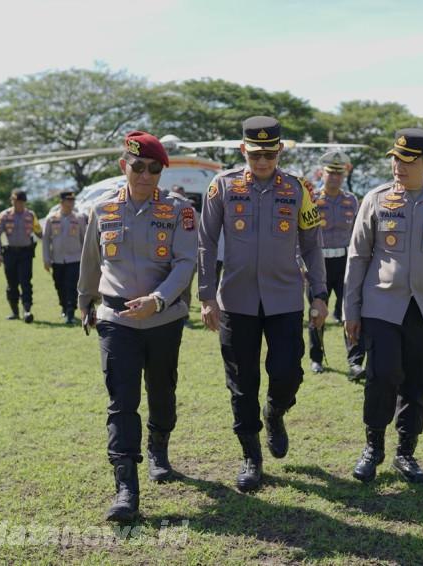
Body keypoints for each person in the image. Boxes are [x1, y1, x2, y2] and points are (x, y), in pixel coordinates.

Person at [197, 116, 328, 492]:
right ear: (243, 150)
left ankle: (276, 411)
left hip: (285, 298)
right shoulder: (221, 187)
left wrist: (318, 295)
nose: (263, 161)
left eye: (270, 153)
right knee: (242, 383)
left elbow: (311, 244)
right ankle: (251, 456)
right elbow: (205, 242)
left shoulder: (298, 189)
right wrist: (206, 295)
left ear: (280, 151)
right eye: (255, 154)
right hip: (236, 300)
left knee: (288, 373)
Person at [78, 131, 197, 522]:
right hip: (116, 320)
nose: (145, 175)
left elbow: (184, 263)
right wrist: (84, 301)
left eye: (154, 168)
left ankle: (159, 447)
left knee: (162, 391)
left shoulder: (179, 210)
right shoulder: (102, 210)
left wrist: (157, 300)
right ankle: (126, 486)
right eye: (138, 167)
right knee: (121, 400)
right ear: (123, 166)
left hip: (163, 318)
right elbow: (91, 261)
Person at [344, 128, 423, 484]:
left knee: (417, 383)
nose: (398, 166)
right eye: (395, 158)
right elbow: (357, 258)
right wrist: (350, 310)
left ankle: (406, 452)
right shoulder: (376, 199)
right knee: (381, 376)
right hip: (381, 305)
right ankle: (373, 448)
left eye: (408, 160)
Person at [309, 150, 366, 380]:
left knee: (350, 311)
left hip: (345, 263)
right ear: (322, 173)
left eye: (338, 174)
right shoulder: (311, 198)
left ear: (344, 175)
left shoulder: (351, 200)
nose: (334, 178)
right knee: (316, 311)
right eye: (330, 173)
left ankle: (355, 362)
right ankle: (316, 358)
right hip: (318, 263)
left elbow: (357, 235)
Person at [0, 189, 42, 322]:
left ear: (25, 202)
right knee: (12, 283)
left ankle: (27, 310)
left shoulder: (31, 215)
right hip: (10, 253)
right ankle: (14, 311)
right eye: (16, 201)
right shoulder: (4, 215)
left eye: (21, 202)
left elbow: (39, 232)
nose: (18, 204)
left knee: (26, 282)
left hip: (26, 253)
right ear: (12, 201)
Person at [42, 190, 86, 324]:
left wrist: (86, 259)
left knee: (72, 286)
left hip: (75, 259)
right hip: (57, 259)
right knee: (59, 285)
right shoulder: (51, 219)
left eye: (73, 200)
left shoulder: (79, 218)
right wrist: (46, 259)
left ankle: (71, 312)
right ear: (61, 202)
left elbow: (84, 239)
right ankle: (64, 306)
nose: (71, 203)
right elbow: (45, 240)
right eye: (69, 200)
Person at [171, 185, 196, 314]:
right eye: (176, 194)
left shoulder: (189, 212)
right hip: (166, 259)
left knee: (185, 288)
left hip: (186, 257)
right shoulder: (162, 210)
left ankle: (183, 314)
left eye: (181, 194)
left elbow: (191, 234)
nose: (178, 197)